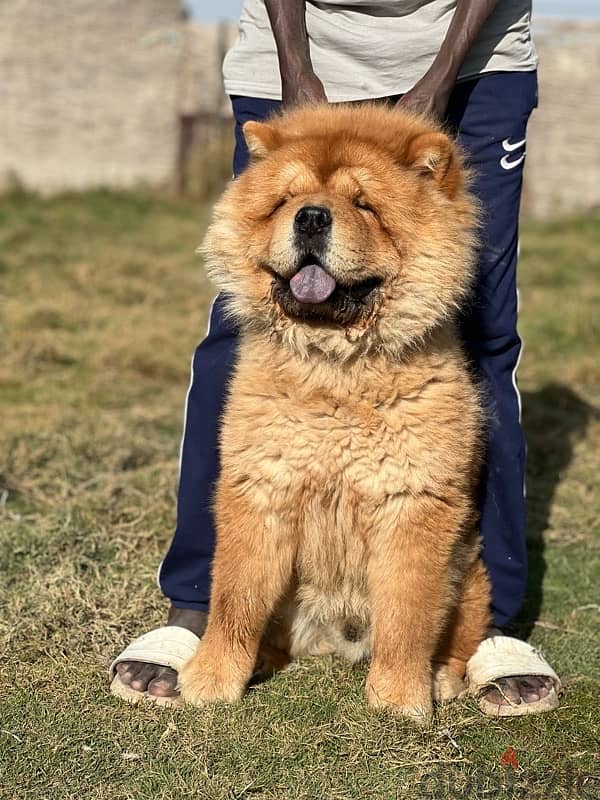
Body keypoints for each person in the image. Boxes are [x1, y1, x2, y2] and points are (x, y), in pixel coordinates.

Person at [110, 0, 561, 715]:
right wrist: (295, 63)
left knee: (484, 330)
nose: (316, 214)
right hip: (299, 50)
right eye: (297, 203)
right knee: (233, 347)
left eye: (355, 208)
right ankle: (198, 612)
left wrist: (440, 78)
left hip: (471, 54)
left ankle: (485, 629)